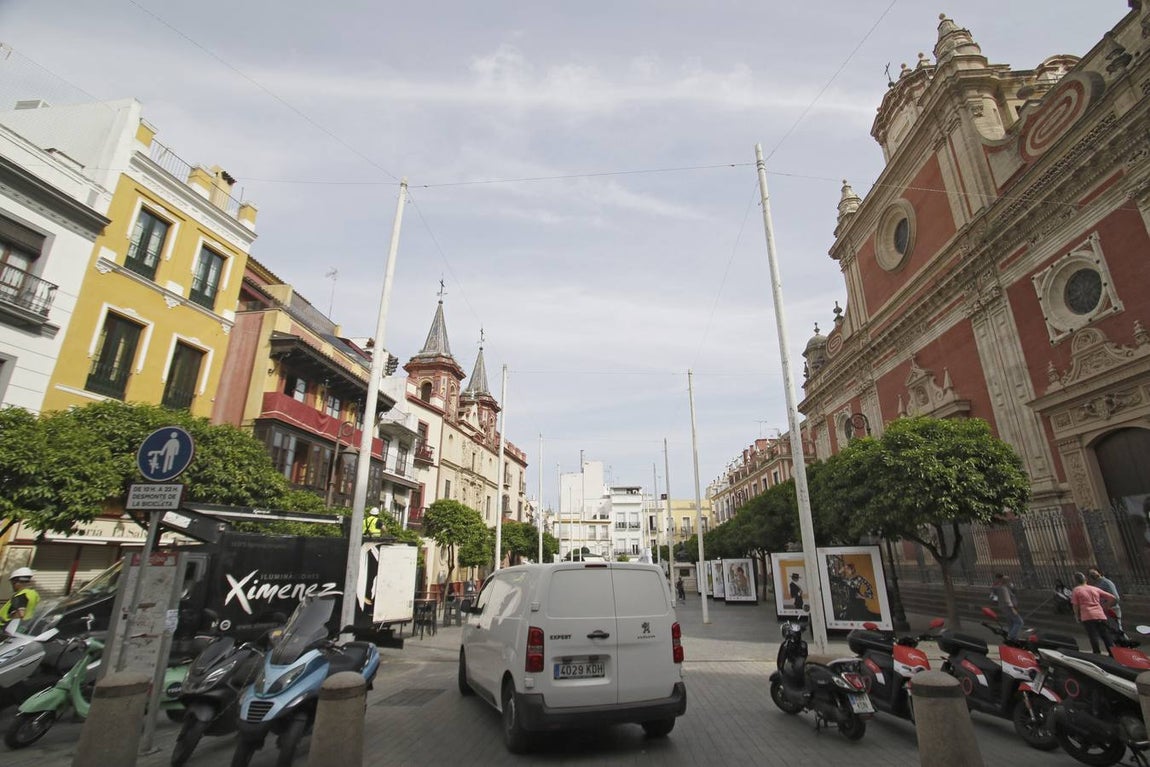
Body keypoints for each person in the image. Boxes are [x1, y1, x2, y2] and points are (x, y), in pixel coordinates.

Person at [1070, 571, 1117, 655]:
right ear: (1085, 580)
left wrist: (1077, 616)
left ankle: (1096, 653)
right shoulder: (1094, 588)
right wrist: (1106, 606)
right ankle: (1112, 652)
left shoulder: (1076, 590)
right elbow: (1112, 597)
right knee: (1105, 635)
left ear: (1075, 581)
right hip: (1100, 614)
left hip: (1087, 615)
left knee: (1093, 635)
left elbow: (1075, 605)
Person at [0, 567, 39, 632]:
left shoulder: (20, 595)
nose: (12, 585)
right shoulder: (34, 594)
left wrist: (8, 624)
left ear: (16, 582)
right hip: (23, 627)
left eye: (12, 583)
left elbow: (20, 614)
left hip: (6, 629)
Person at [1088, 567, 1123, 637]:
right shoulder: (1096, 584)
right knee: (1111, 632)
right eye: (1090, 574)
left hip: (1112, 609)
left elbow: (1116, 598)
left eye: (1093, 573)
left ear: (1099, 572)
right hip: (1103, 611)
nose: (1092, 575)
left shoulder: (1106, 582)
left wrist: (1106, 606)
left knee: (1117, 631)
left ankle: (1125, 642)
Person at [991, 573, 1024, 641]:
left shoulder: (1000, 587)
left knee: (1011, 622)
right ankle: (1011, 636)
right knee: (1019, 622)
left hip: (1003, 607)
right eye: (1009, 580)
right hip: (1008, 607)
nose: (1010, 582)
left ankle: (1012, 637)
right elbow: (1007, 599)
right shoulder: (1004, 588)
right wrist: (1012, 608)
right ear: (1006, 581)